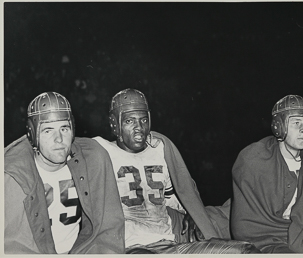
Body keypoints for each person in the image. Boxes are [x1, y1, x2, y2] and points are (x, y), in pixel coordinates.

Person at [94, 88, 261, 254]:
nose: (139, 128)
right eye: (129, 121)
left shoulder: (159, 149)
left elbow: (173, 198)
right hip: (132, 247)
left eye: (143, 120)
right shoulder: (102, 152)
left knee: (245, 251)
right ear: (114, 124)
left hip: (169, 244)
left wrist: (190, 212)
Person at [4, 92, 125, 254]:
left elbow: (107, 230)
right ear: (32, 135)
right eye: (48, 130)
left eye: (64, 128)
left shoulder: (91, 161)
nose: (59, 139)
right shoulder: (12, 175)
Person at [231, 94, 303, 253]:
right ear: (279, 126)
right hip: (266, 237)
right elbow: (247, 225)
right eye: (296, 123)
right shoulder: (254, 158)